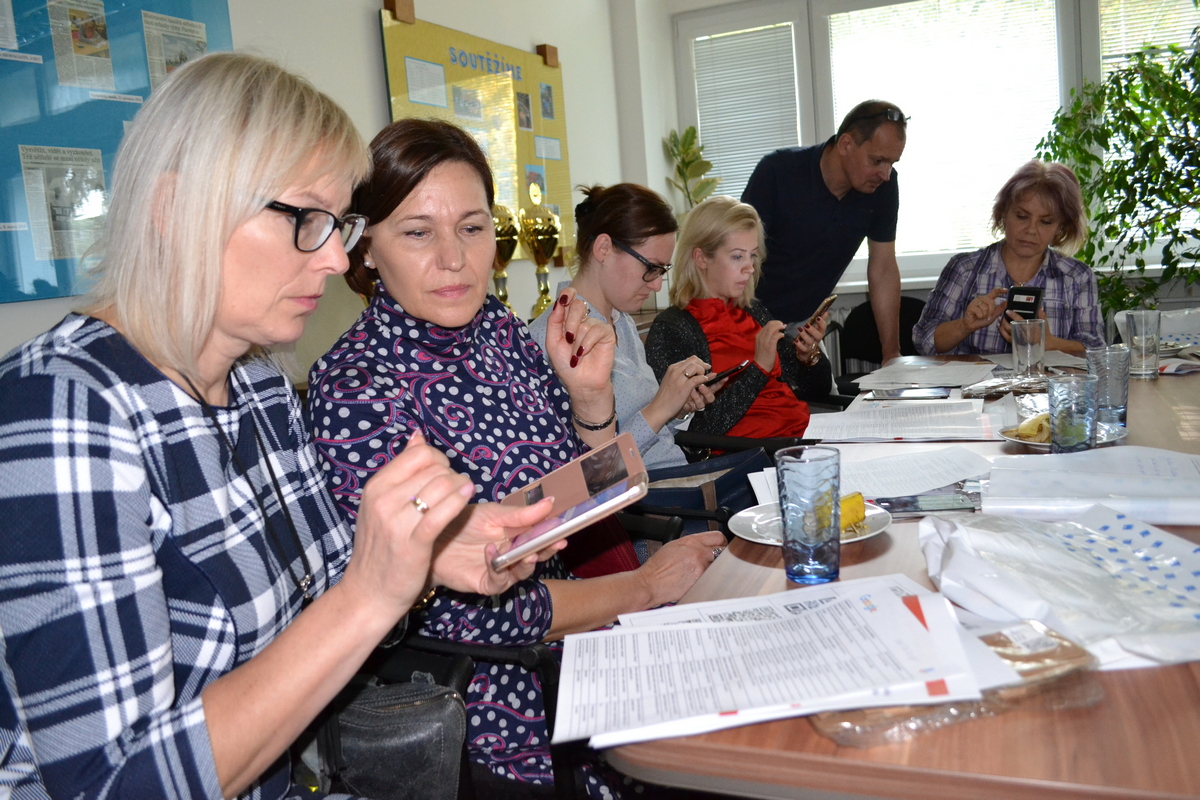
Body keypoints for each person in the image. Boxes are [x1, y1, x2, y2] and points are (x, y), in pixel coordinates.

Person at [0, 53, 559, 800]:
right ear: (174, 210)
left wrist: (426, 563)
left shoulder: (259, 387)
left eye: (342, 224)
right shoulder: (62, 411)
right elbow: (113, 783)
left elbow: (330, 607)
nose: (335, 259)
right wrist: (369, 592)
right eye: (307, 221)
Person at [307, 118, 724, 795]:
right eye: (418, 232)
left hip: (584, 645)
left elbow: (585, 503)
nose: (454, 258)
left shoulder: (500, 333)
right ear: (367, 249)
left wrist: (590, 403)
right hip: (488, 706)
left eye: (472, 229)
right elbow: (457, 608)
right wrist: (644, 589)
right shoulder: (357, 387)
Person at [529, 183, 716, 469]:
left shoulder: (622, 321)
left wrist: (676, 407)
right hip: (642, 502)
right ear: (604, 248)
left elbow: (652, 434)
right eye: (650, 267)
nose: (655, 284)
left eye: (662, 271)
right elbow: (587, 470)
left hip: (675, 482)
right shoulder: (551, 339)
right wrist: (661, 407)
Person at [645, 196, 832, 439]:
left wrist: (809, 357)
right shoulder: (673, 329)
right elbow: (697, 430)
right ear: (701, 258)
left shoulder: (752, 312)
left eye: (753, 255)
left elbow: (817, 390)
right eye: (737, 256)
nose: (750, 268)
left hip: (802, 437)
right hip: (750, 458)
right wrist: (760, 368)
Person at [742, 99, 907, 362]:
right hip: (747, 321)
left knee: (821, 398)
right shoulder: (778, 172)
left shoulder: (884, 188)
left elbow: (884, 267)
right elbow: (740, 255)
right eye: (877, 161)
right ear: (845, 144)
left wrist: (891, 355)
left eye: (892, 163)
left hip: (805, 327)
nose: (885, 174)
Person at [912, 160, 1103, 356]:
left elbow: (1096, 351)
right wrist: (964, 326)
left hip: (1048, 386)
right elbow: (923, 341)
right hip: (973, 386)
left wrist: (1049, 343)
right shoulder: (965, 268)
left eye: (1045, 222)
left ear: (1060, 228)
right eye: (1021, 216)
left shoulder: (1077, 276)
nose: (1031, 230)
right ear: (1004, 214)